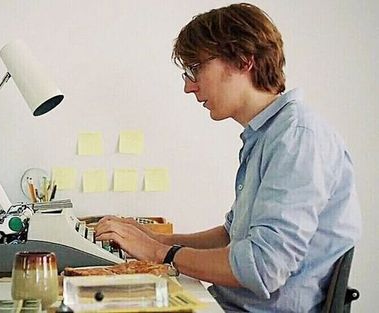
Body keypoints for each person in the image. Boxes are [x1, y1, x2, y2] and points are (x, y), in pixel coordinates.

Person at [94, 3, 361, 312]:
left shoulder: (297, 139)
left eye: (196, 69)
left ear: (243, 61)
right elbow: (230, 237)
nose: (188, 87)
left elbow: (261, 266)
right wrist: (154, 239)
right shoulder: (268, 136)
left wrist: (157, 252)